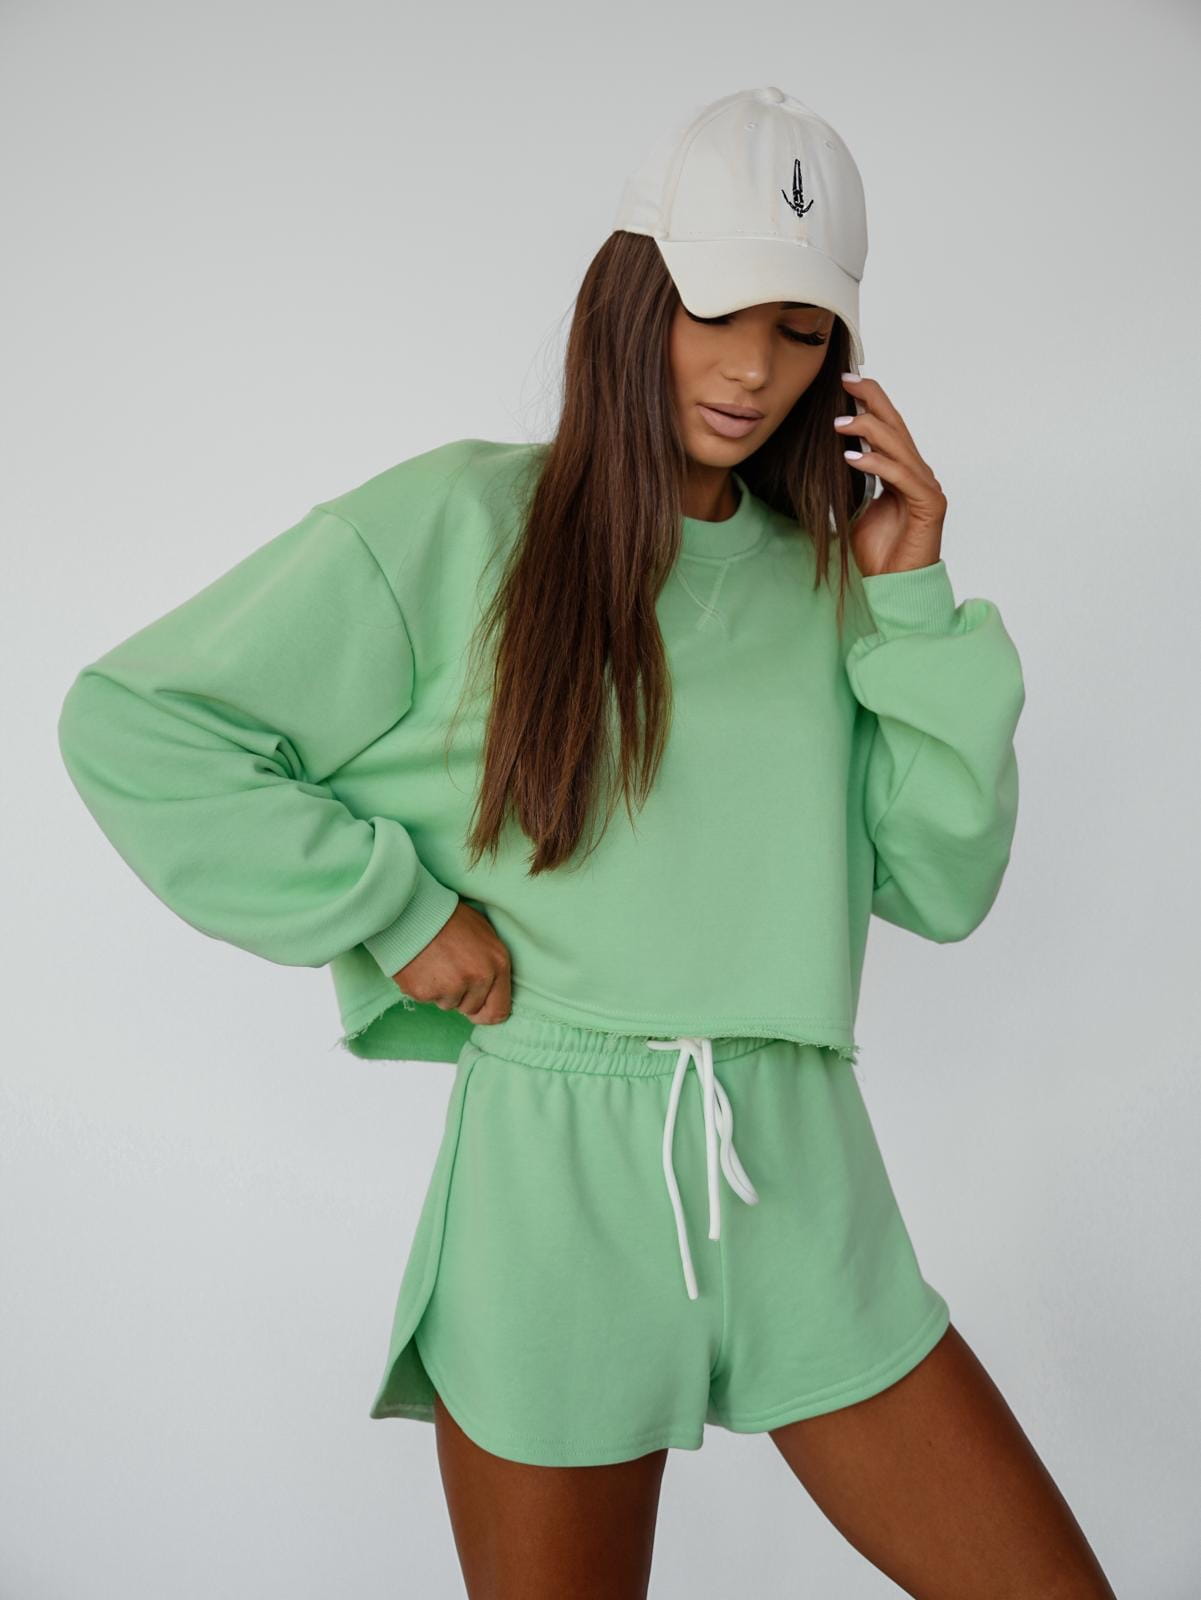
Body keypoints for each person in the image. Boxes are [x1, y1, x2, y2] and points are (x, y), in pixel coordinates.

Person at [57, 86, 1117, 1599]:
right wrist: (389, 907)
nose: (753, 370)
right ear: (635, 296)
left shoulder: (834, 580)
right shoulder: (459, 522)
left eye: (800, 332)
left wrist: (912, 599)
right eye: (715, 311)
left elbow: (943, 887)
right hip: (552, 1191)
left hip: (802, 1176)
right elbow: (137, 721)